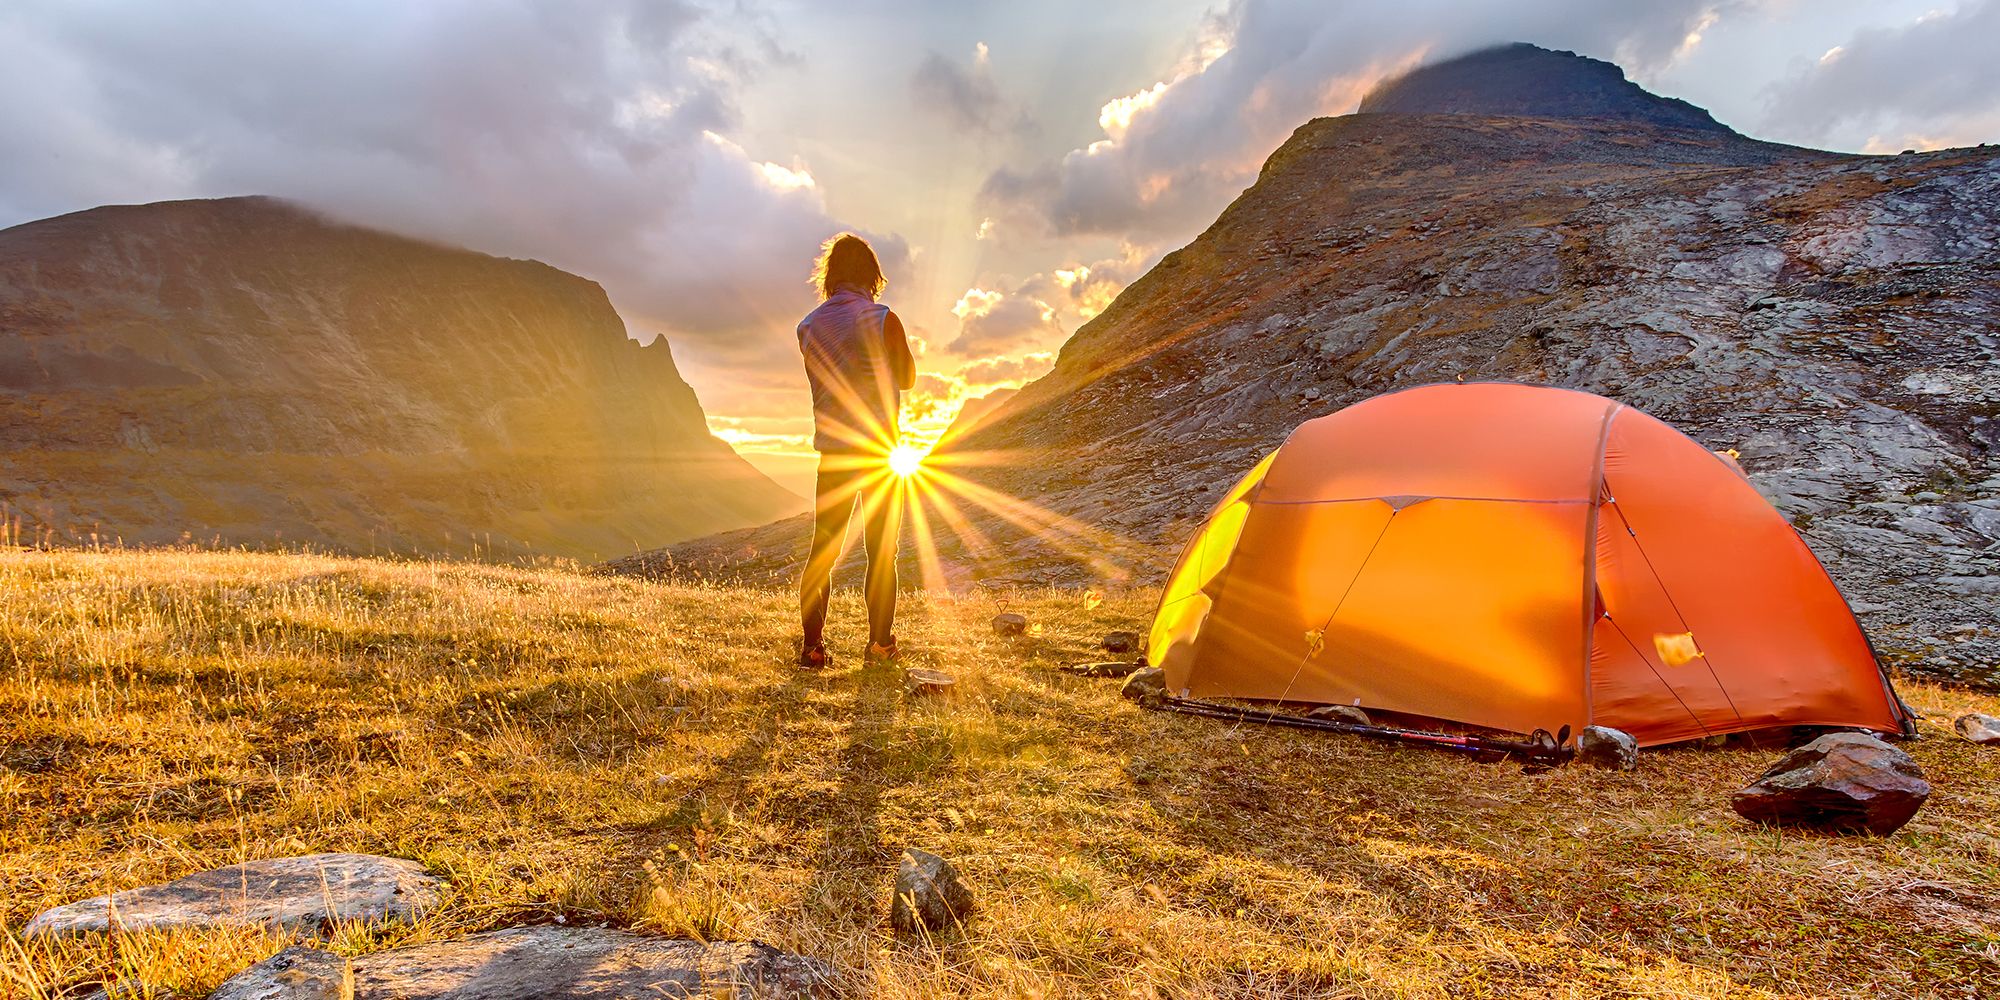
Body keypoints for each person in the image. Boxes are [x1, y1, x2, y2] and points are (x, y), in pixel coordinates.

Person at [795, 233, 915, 669]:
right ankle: (880, 644)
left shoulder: (807, 326)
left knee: (822, 549)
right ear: (872, 275)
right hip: (879, 453)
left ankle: (812, 648)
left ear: (830, 276)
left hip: (834, 454)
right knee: (882, 550)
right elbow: (907, 379)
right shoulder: (883, 317)